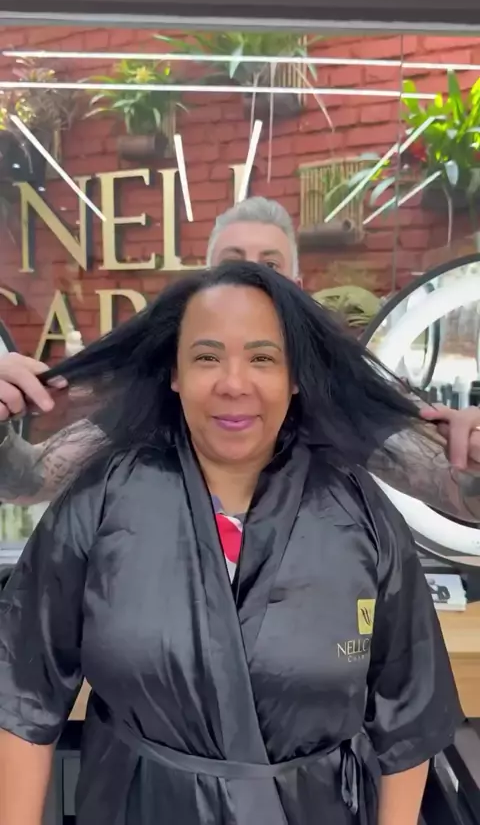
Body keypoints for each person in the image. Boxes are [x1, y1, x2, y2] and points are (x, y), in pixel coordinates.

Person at [0, 261, 463, 825]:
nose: (234, 383)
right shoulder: (101, 500)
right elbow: (24, 694)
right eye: (207, 357)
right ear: (174, 374)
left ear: (297, 377)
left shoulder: (358, 512)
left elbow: (408, 715)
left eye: (263, 358)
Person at [0, 197, 479, 512]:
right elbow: (30, 481)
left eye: (270, 265)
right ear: (205, 283)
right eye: (234, 265)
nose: (253, 280)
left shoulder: (340, 399)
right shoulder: (154, 389)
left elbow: (457, 495)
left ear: (296, 287)